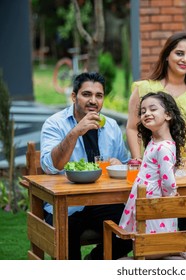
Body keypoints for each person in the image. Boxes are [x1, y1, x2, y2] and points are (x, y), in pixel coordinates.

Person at [126, 32, 186, 230]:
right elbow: (132, 128)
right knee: (151, 229)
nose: (185, 59)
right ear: (167, 55)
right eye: (179, 53)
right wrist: (138, 160)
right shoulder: (144, 88)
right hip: (153, 176)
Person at [40, 72, 132, 259]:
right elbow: (51, 166)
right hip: (64, 206)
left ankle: (92, 263)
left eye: (98, 96)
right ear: (74, 97)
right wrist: (75, 132)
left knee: (130, 231)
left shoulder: (111, 126)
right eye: (87, 94)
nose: (93, 100)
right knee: (66, 240)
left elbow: (124, 164)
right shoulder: (55, 124)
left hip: (101, 202)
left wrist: (119, 164)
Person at [119, 91, 186, 236]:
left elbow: (168, 182)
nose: (146, 113)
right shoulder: (154, 141)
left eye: (153, 109)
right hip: (147, 198)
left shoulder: (163, 147)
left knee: (153, 239)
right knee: (146, 237)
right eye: (143, 111)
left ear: (168, 115)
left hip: (154, 202)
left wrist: (170, 196)